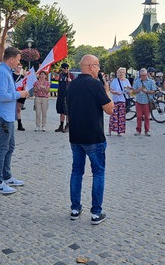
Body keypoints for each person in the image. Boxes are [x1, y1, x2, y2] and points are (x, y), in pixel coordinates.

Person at [67, 54, 114, 225]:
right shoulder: (95, 85)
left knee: (76, 172)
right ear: (91, 66)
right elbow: (109, 109)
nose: (99, 69)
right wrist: (107, 90)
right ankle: (96, 213)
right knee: (98, 172)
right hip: (94, 137)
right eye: (98, 65)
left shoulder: (72, 85)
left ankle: (75, 208)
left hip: (75, 136)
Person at [0, 47, 29, 194]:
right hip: (2, 117)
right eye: (18, 60)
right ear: (11, 59)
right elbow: (2, 96)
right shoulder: (1, 72)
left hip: (7, 116)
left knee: (10, 147)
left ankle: (6, 176)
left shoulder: (6, 71)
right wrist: (19, 94)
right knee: (2, 149)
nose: (19, 63)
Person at [130, 68, 158, 136]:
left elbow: (154, 91)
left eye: (145, 75)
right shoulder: (137, 81)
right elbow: (133, 91)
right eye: (142, 75)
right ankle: (138, 130)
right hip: (139, 101)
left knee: (147, 117)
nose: (143, 77)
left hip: (147, 102)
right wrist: (139, 89)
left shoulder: (151, 82)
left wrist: (147, 91)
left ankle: (147, 131)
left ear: (147, 74)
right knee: (139, 117)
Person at [108, 67, 131, 136]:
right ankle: (110, 131)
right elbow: (111, 90)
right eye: (120, 72)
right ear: (117, 73)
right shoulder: (115, 81)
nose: (121, 74)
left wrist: (129, 91)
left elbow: (129, 90)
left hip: (122, 100)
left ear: (125, 73)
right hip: (115, 101)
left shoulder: (126, 81)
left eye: (122, 72)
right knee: (113, 116)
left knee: (121, 117)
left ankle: (119, 131)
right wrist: (115, 92)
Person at [55, 63, 74, 133]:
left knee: (67, 111)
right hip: (61, 95)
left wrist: (70, 81)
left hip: (68, 95)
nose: (66, 69)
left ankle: (68, 125)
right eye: (64, 68)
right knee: (61, 111)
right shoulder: (61, 75)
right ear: (62, 69)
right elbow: (59, 85)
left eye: (67, 68)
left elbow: (74, 84)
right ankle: (61, 125)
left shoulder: (71, 75)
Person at [13, 64, 27, 131]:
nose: (19, 69)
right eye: (18, 67)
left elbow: (24, 84)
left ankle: (19, 124)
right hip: (13, 93)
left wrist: (25, 91)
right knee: (12, 109)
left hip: (20, 93)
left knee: (18, 110)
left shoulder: (22, 76)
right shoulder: (11, 75)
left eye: (20, 67)